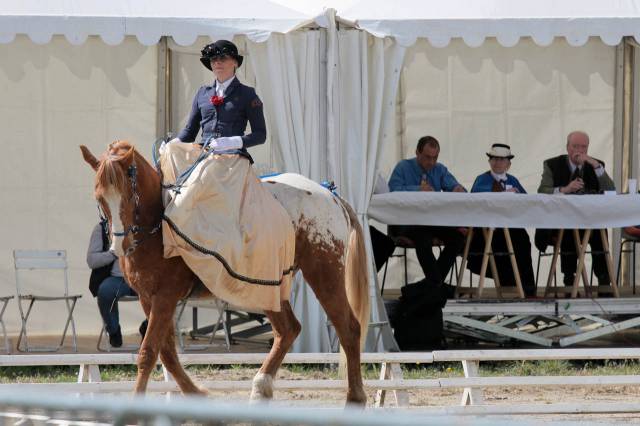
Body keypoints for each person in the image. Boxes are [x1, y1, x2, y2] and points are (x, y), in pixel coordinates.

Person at [535, 130, 615, 288]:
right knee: (569, 230)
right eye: (575, 146)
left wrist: (596, 165)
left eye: (583, 147)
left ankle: (604, 280)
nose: (579, 151)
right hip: (561, 220)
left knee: (600, 230)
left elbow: (611, 191)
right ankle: (569, 278)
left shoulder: (596, 164)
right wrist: (565, 189)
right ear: (567, 147)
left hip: (589, 219)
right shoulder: (552, 164)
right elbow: (542, 190)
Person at [162, 39, 265, 158]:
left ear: (235, 63)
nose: (217, 63)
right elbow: (190, 132)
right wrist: (173, 144)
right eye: (213, 59)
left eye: (223, 58)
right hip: (203, 153)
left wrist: (233, 142)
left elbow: (260, 135)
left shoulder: (247, 93)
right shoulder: (202, 93)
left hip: (233, 156)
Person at [387, 136, 466, 288]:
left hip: (431, 222)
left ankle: (432, 285)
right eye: (427, 157)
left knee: (457, 238)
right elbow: (392, 191)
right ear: (417, 153)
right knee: (423, 236)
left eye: (435, 158)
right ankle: (436, 286)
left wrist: (458, 189)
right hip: (406, 222)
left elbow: (455, 187)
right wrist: (417, 189)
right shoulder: (403, 167)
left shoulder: (440, 169)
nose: (431, 162)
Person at [467, 143, 537, 297]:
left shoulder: (513, 180)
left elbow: (526, 200)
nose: (498, 162)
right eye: (494, 159)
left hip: (511, 225)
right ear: (490, 161)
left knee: (523, 241)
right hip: (488, 229)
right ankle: (509, 286)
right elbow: (476, 197)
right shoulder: (482, 179)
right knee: (502, 245)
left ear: (508, 164)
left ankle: (528, 289)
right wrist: (505, 192)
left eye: (501, 159)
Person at [87, 219, 142, 348]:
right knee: (105, 291)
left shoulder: (145, 223)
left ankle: (148, 327)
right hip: (117, 278)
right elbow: (92, 261)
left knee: (164, 293)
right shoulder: (102, 228)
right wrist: (114, 252)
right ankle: (114, 331)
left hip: (142, 279)